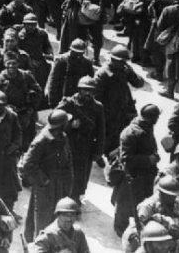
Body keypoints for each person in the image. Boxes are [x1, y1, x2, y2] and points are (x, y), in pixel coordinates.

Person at [22, 109, 74, 241]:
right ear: (62, 125)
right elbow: (27, 165)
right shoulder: (42, 140)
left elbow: (68, 158)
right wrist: (43, 181)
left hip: (60, 184)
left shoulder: (62, 137)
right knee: (42, 219)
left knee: (57, 217)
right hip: (46, 187)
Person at [114, 104, 162, 236]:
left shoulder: (147, 127)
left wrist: (154, 157)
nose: (157, 120)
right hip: (132, 176)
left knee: (141, 206)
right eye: (157, 117)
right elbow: (126, 159)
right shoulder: (130, 132)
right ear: (152, 118)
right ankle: (121, 231)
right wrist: (148, 160)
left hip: (145, 175)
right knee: (125, 206)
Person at [56, 76, 105, 202]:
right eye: (84, 90)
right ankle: (63, 197)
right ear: (79, 90)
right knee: (65, 171)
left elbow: (101, 130)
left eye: (90, 90)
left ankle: (75, 197)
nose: (87, 93)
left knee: (81, 175)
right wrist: (69, 124)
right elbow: (54, 120)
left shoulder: (98, 107)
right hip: (68, 144)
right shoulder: (68, 103)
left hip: (85, 146)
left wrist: (98, 151)